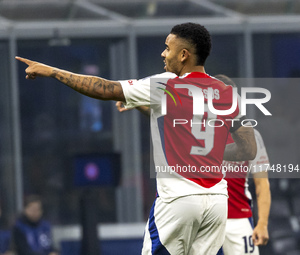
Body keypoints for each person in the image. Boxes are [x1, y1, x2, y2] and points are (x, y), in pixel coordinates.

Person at [16, 22, 257, 255]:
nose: (163, 54)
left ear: (183, 55)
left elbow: (103, 88)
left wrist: (53, 72)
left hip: (178, 200)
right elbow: (248, 149)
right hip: (216, 202)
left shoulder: (166, 85)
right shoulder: (226, 92)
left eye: (167, 48)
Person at [214, 75, 271, 255]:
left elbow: (262, 184)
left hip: (239, 221)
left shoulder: (251, 136)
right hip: (204, 221)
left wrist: (262, 224)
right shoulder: (196, 133)